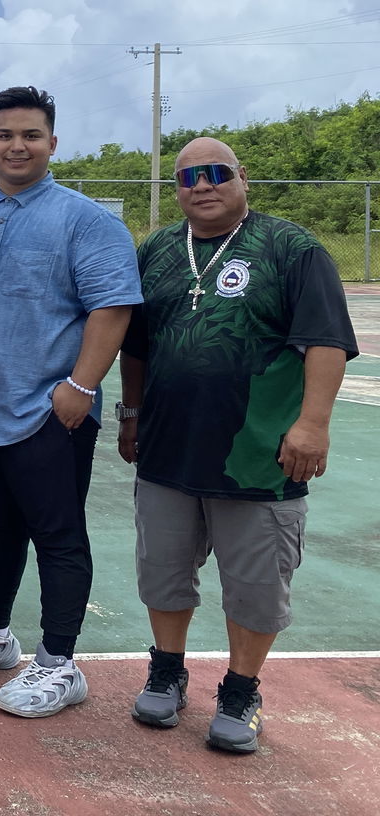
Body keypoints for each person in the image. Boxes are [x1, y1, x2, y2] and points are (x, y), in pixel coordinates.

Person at [120, 137, 356, 754]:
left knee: (255, 582)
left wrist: (313, 424)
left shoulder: (291, 249)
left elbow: (327, 341)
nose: (201, 184)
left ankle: (240, 689)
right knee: (162, 572)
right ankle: (167, 671)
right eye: (186, 177)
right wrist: (131, 414)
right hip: (168, 451)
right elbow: (136, 345)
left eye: (215, 172)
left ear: (241, 177)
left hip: (257, 456)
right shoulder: (159, 252)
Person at [0, 86, 142, 716]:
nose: (17, 146)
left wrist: (79, 388)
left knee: (57, 534)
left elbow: (112, 307)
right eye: (5, 135)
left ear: (52, 143)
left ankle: (59, 660)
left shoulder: (87, 220)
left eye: (30, 135)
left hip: (47, 411)